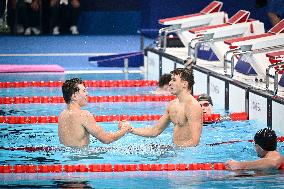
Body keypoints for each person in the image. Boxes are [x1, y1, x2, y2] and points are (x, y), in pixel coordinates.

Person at [130, 68, 203, 147]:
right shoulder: (172, 105)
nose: (170, 83)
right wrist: (131, 130)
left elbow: (195, 142)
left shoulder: (193, 107)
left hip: (186, 156)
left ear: (184, 84)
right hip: (176, 151)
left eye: (174, 80)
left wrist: (174, 150)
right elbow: (155, 131)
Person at [58, 78, 132, 148]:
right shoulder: (83, 114)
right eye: (84, 91)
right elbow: (106, 139)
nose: (87, 93)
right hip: (81, 158)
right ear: (74, 96)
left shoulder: (62, 115)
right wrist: (125, 130)